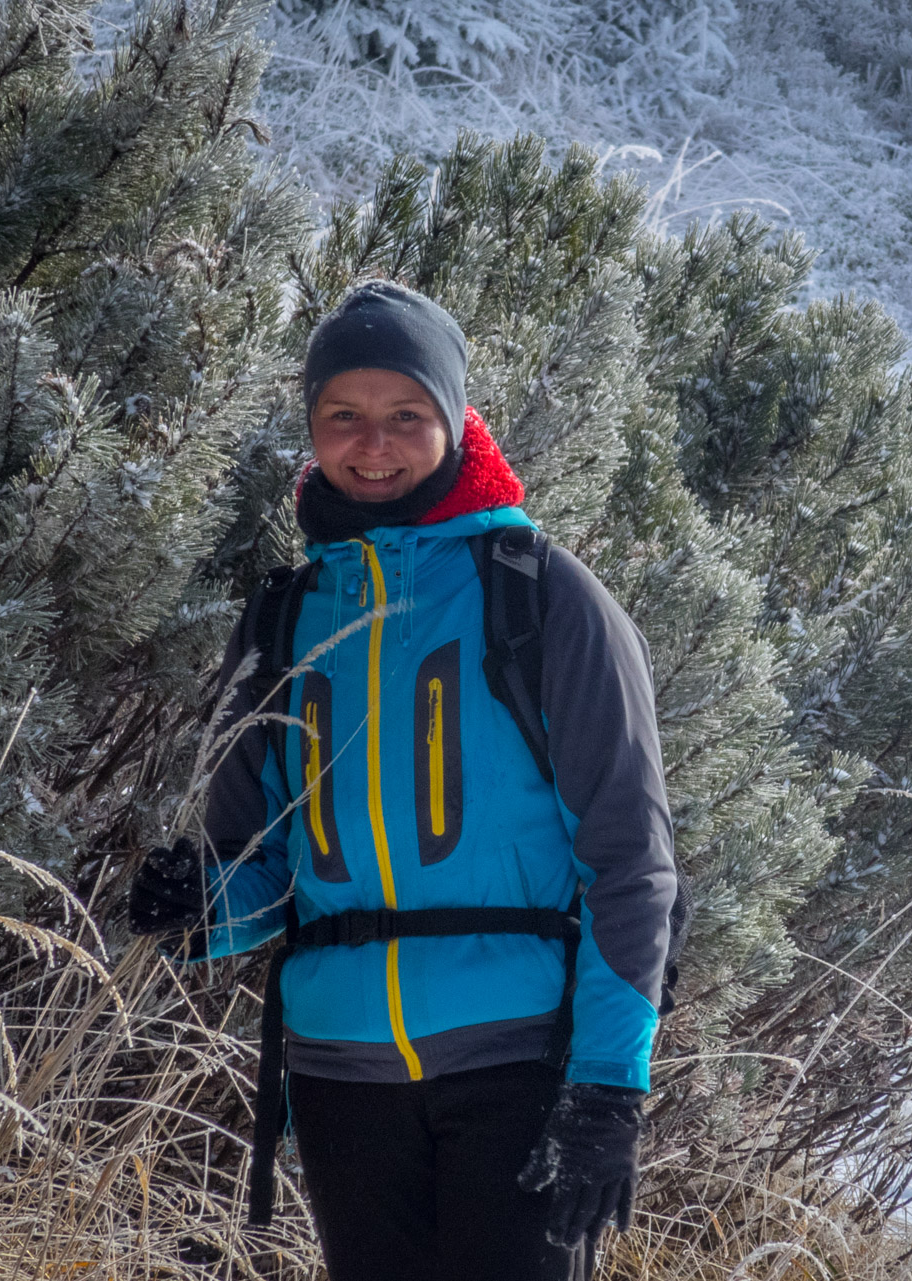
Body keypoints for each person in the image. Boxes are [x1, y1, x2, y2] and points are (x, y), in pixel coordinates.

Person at [129, 280, 678, 1281]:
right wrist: (198, 907)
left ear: (454, 420)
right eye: (344, 416)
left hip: (519, 1066)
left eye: (405, 417)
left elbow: (631, 864)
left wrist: (607, 1089)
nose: (371, 446)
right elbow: (266, 871)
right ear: (311, 427)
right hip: (340, 1076)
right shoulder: (289, 616)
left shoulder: (541, 596)